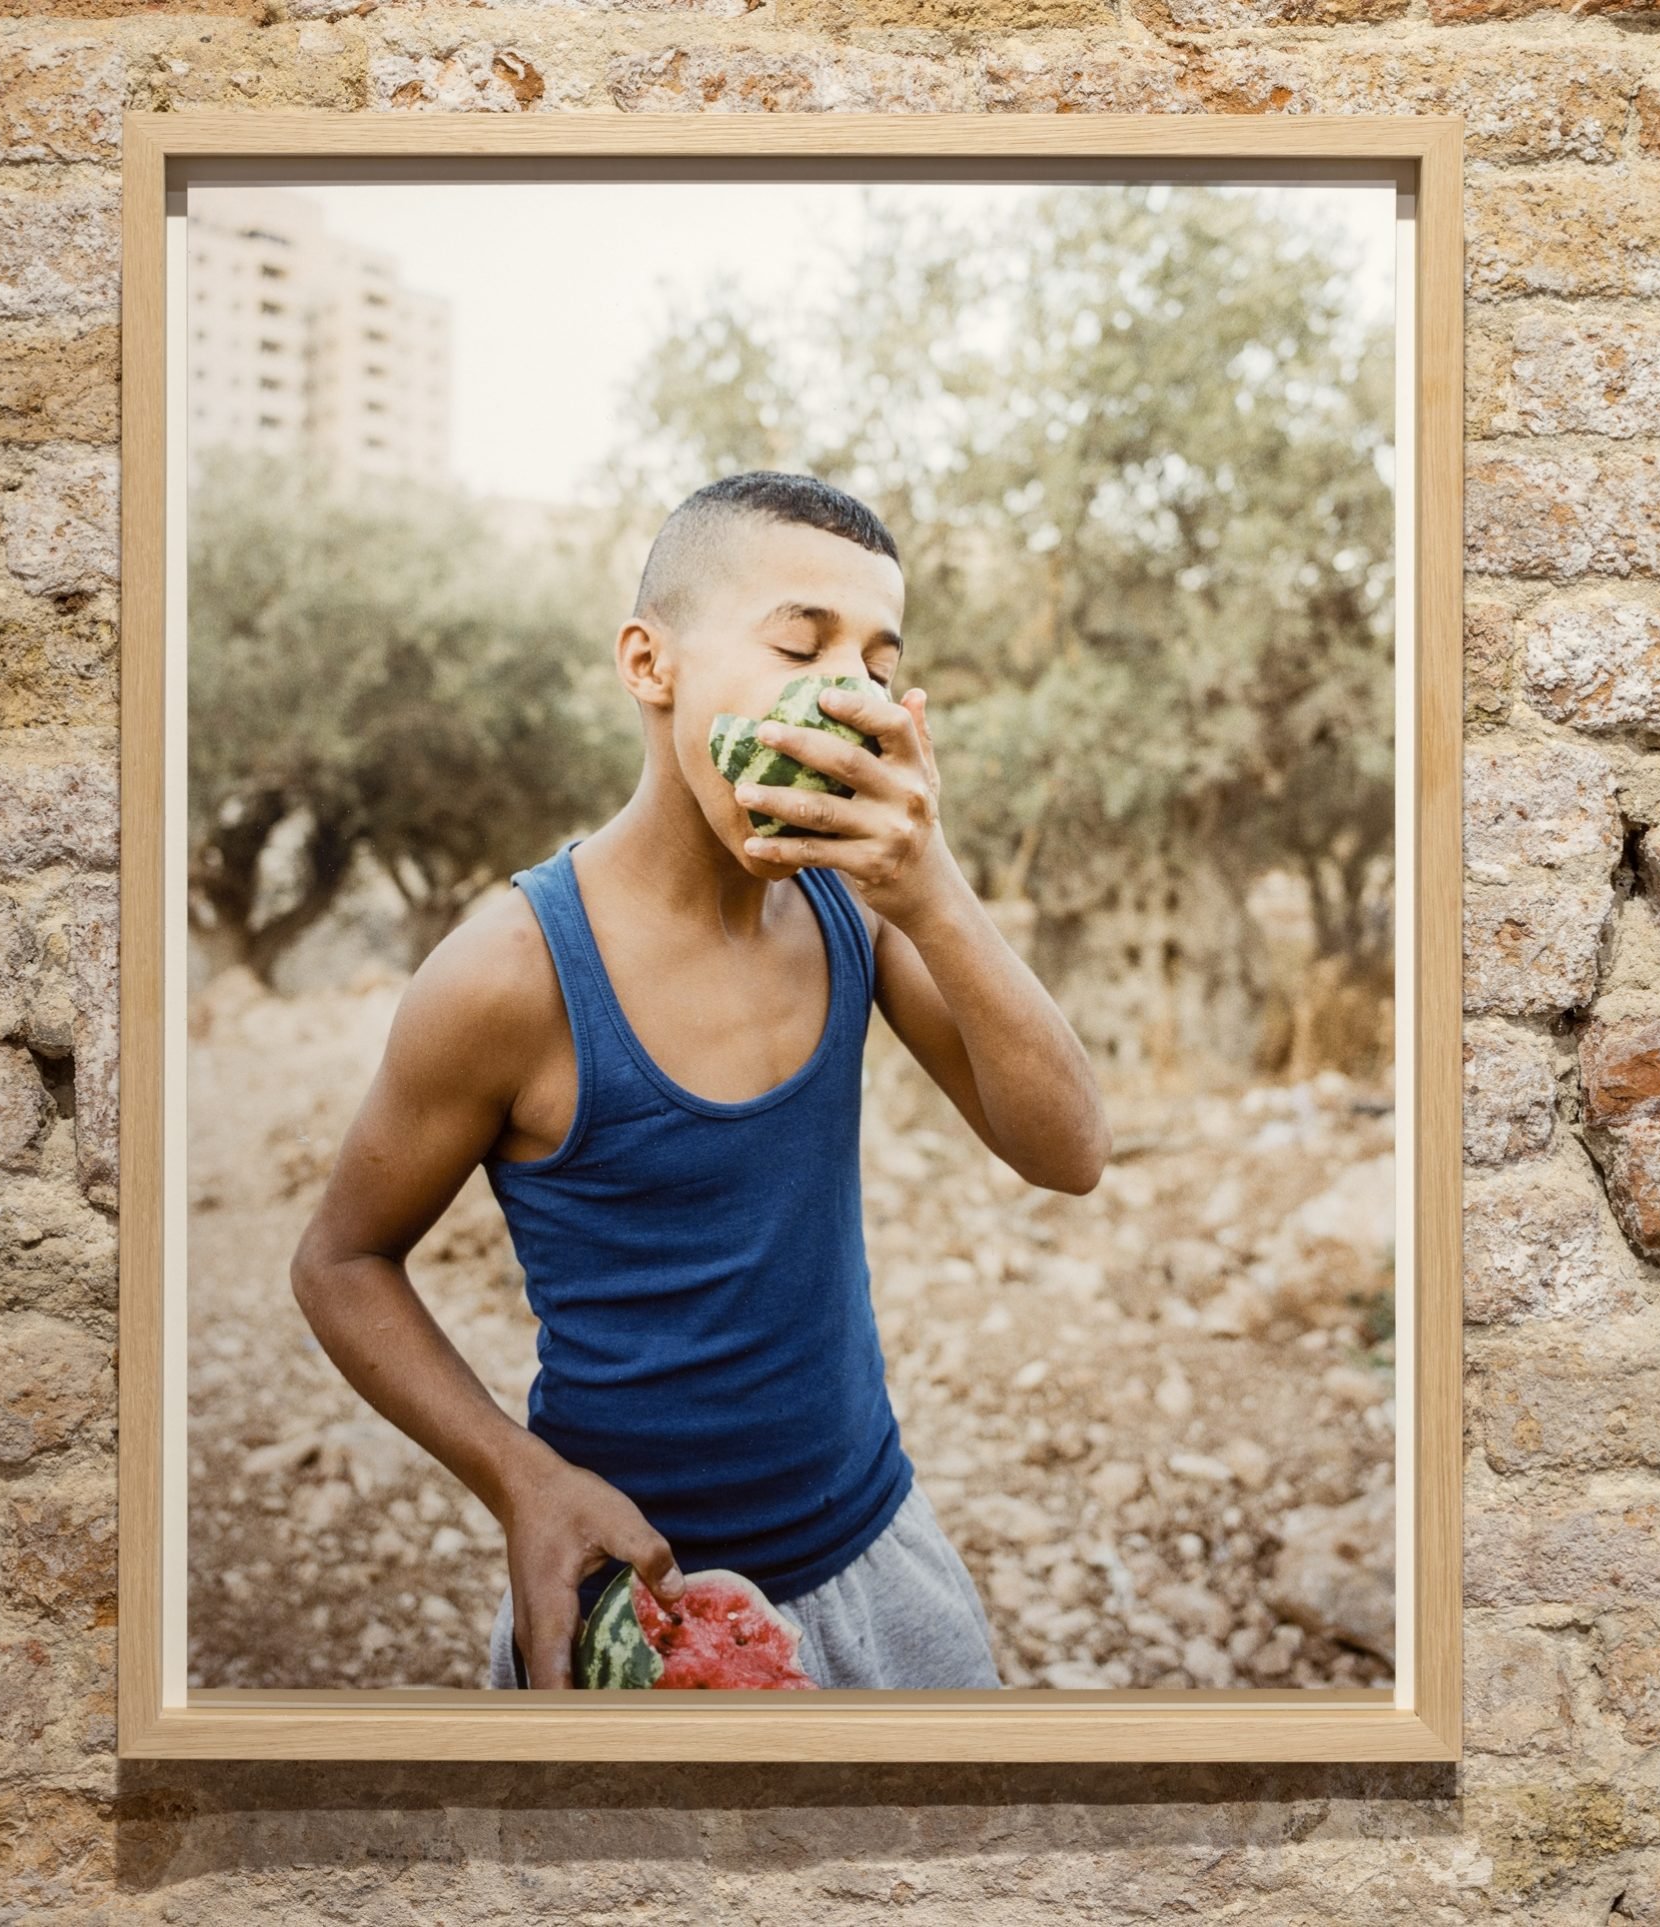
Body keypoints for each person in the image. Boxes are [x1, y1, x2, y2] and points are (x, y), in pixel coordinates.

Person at [288, 471, 1108, 1689]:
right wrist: (525, 1483)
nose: (845, 692)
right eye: (798, 641)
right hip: (634, 1599)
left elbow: (1069, 1151)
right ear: (648, 663)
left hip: (877, 1551)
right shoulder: (509, 977)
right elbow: (340, 1264)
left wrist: (930, 888)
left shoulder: (854, 911)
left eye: (880, 666)